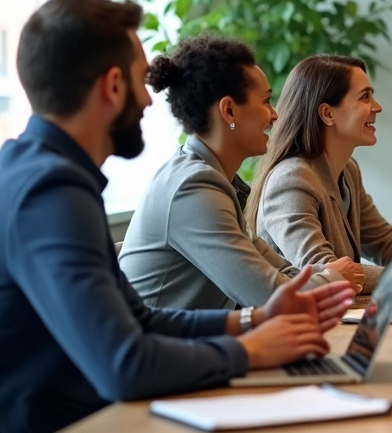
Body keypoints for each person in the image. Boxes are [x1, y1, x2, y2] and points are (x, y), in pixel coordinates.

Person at [0, 0, 354, 433]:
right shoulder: (50, 191)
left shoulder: (43, 172)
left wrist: (253, 321)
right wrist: (251, 351)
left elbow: (139, 321)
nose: (150, 100)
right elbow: (123, 366)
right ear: (112, 86)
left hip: (48, 420)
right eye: (140, 81)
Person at [120, 36, 362, 312]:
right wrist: (332, 277)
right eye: (266, 101)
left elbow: (281, 272)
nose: (275, 115)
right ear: (229, 111)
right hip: (157, 341)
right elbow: (268, 296)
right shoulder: (192, 188)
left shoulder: (215, 179)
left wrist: (327, 275)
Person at [246, 55, 392, 292]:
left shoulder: (348, 170)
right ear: (328, 114)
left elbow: (385, 243)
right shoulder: (291, 180)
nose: (377, 107)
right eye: (365, 97)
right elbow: (325, 271)